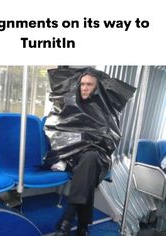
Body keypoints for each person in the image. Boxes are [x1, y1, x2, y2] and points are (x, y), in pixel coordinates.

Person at [44, 67, 135, 236]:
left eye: (89, 85)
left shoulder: (105, 112)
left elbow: (108, 139)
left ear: (97, 87)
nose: (84, 87)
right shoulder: (68, 108)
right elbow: (59, 134)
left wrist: (90, 142)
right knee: (88, 169)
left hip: (96, 156)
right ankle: (82, 226)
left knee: (90, 159)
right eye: (82, 84)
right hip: (72, 157)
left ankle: (67, 218)